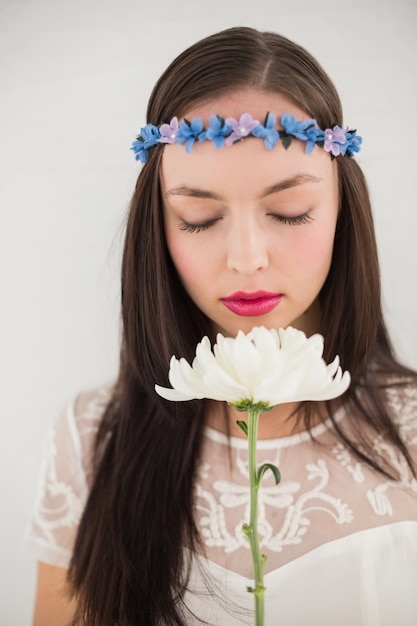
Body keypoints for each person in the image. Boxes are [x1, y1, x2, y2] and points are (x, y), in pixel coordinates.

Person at [25, 26, 417, 626]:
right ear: (159, 227)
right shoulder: (91, 441)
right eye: (200, 219)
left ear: (343, 210)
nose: (246, 258)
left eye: (290, 212)